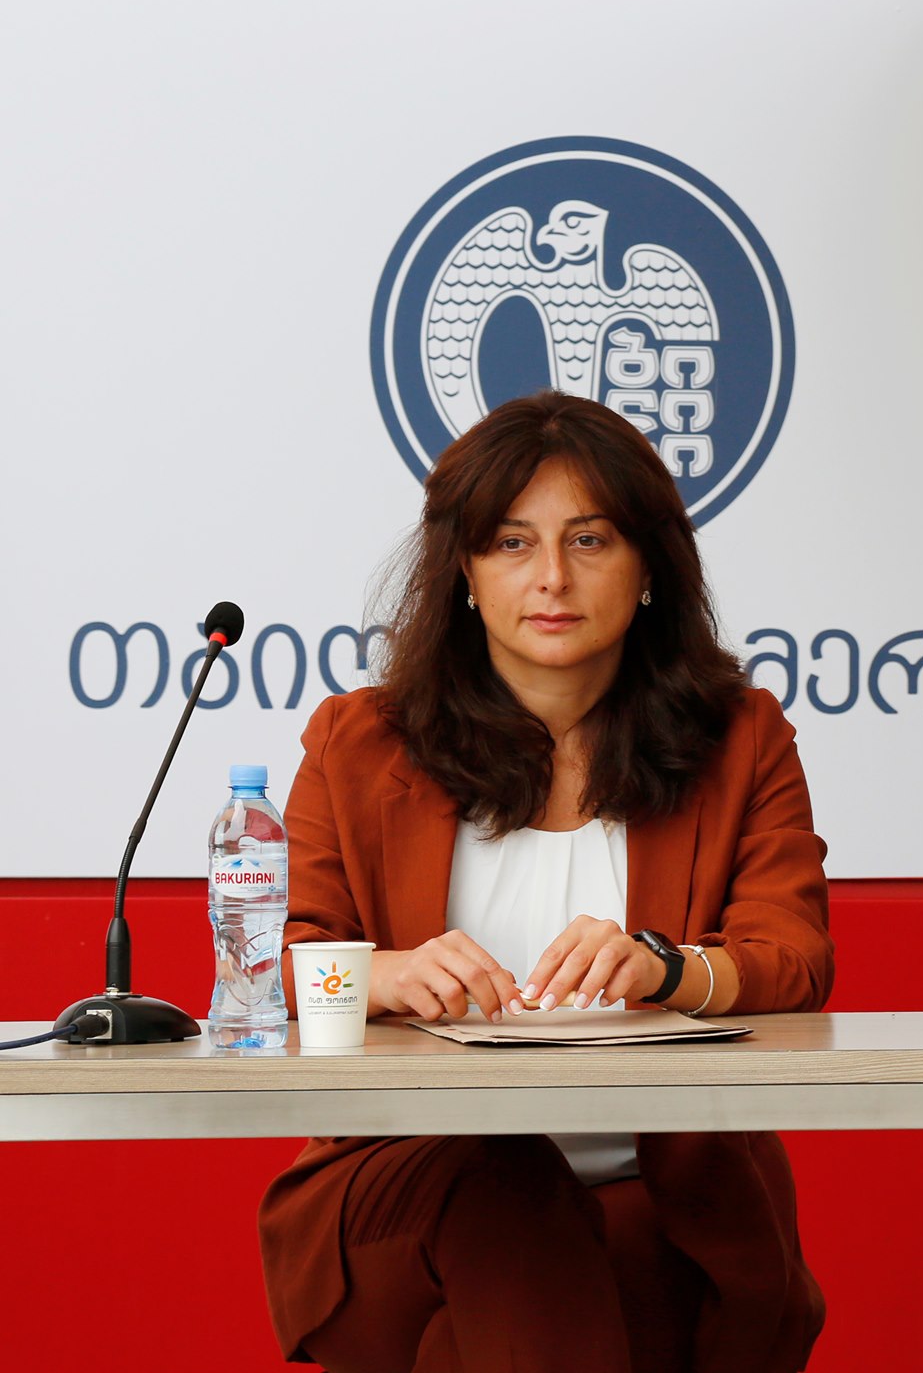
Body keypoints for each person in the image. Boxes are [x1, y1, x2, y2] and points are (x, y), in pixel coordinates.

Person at [256, 391, 833, 1373]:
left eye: (590, 540)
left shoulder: (740, 738)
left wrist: (662, 967)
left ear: (648, 568)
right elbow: (273, 970)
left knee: (495, 1324)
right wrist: (386, 973)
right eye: (513, 543)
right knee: (508, 1185)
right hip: (407, 1178)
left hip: (667, 1185)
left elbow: (794, 959)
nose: (552, 577)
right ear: (465, 572)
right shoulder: (357, 743)